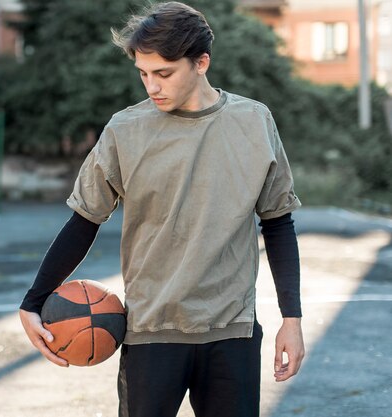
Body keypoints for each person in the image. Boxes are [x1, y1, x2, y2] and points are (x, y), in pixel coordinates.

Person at [19, 2, 305, 417]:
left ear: (201, 62)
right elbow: (84, 221)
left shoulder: (254, 122)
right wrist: (33, 300)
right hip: (150, 332)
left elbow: (278, 224)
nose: (152, 86)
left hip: (232, 332)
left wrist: (291, 319)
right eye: (143, 74)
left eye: (164, 73)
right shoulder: (125, 130)